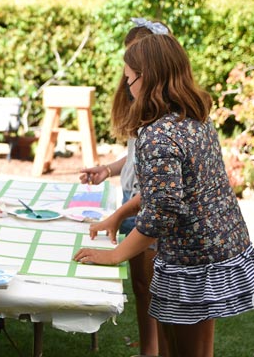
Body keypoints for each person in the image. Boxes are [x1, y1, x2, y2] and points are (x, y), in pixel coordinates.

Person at [73, 32, 254, 357]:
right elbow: (172, 191)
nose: (127, 88)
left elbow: (163, 209)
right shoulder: (195, 121)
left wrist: (116, 255)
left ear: (146, 79)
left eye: (128, 80)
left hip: (191, 261)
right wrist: (119, 216)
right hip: (215, 253)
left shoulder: (157, 135)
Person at [78, 18, 171, 357]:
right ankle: (151, 349)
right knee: (142, 287)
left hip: (147, 212)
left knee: (157, 290)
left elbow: (160, 190)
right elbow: (133, 156)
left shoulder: (164, 119)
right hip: (131, 205)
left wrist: (119, 215)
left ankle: (157, 350)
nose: (126, 75)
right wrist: (108, 169)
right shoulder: (141, 103)